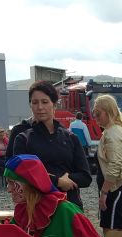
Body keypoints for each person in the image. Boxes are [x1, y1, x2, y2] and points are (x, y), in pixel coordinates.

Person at [9, 81, 92, 210]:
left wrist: (68, 179)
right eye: (35, 102)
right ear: (30, 105)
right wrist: (58, 181)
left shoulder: (70, 138)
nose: (40, 107)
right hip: (37, 208)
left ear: (54, 104)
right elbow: (22, 174)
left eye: (45, 102)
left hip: (69, 208)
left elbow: (85, 177)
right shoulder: (23, 138)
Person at [4, 155, 105, 237]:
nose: (8, 189)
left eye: (12, 183)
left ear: (30, 184)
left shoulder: (67, 211)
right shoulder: (22, 212)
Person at [93, 94, 122, 234]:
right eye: (94, 113)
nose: (95, 117)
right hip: (120, 187)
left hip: (117, 188)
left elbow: (115, 164)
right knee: (119, 229)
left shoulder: (112, 133)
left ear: (108, 111)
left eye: (97, 113)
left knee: (112, 232)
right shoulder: (116, 129)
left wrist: (104, 192)